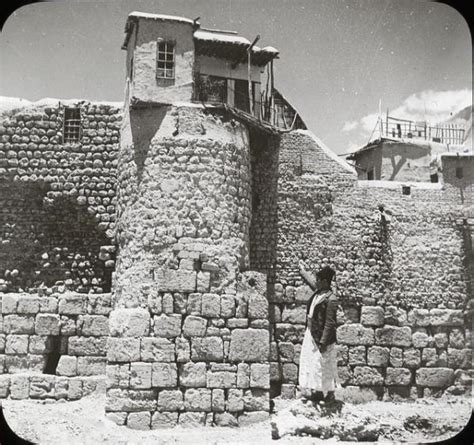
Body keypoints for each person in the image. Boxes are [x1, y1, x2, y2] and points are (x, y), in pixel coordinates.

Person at [298, 260, 339, 406]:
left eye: (319, 281)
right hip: (311, 333)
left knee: (325, 366)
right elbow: (311, 281)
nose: (317, 283)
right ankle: (317, 392)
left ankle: (329, 394)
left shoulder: (331, 299)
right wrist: (302, 270)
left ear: (325, 282)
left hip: (321, 337)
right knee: (313, 364)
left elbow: (330, 323)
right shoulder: (318, 292)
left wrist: (323, 341)